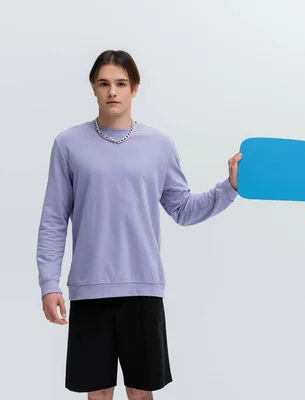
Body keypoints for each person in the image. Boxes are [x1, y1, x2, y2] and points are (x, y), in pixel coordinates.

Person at [36, 49, 242, 400]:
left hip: (143, 290)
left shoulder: (159, 146)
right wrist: (48, 283)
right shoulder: (68, 144)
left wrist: (230, 187)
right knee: (97, 394)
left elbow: (183, 209)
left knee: (141, 393)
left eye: (120, 83)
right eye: (104, 84)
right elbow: (54, 218)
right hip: (90, 288)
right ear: (93, 88)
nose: (112, 91)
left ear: (134, 88)